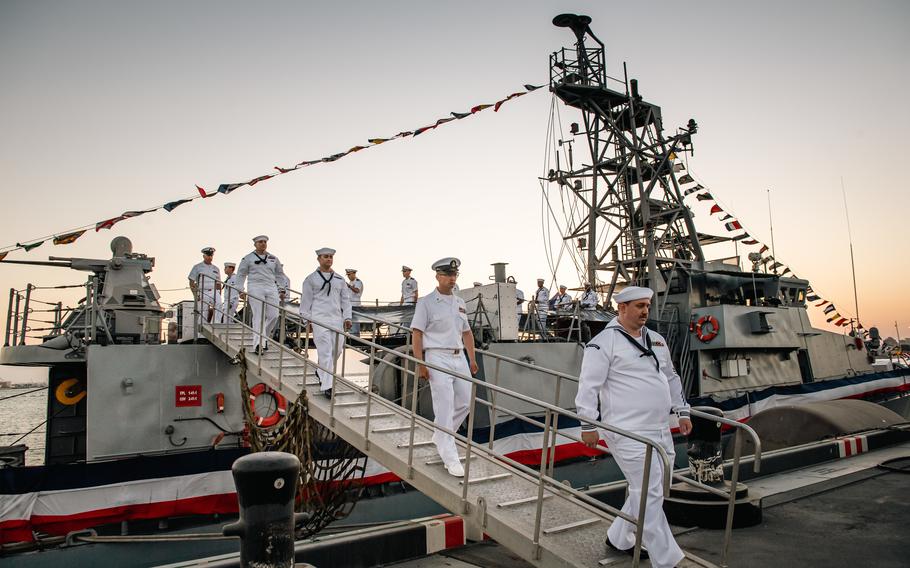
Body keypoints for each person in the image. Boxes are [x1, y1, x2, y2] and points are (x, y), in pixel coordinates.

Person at [575, 286, 691, 567]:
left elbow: (671, 377)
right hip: (626, 430)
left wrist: (682, 410)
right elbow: (588, 385)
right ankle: (667, 559)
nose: (644, 311)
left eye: (647, 306)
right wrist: (587, 424)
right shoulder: (604, 343)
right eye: (638, 306)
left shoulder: (657, 340)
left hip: (661, 427)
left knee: (654, 488)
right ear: (622, 308)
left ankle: (619, 536)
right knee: (648, 489)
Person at [411, 257, 478, 478]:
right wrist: (420, 362)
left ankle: (441, 435)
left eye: (454, 275)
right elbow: (417, 333)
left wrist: (472, 358)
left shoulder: (459, 302)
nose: (452, 279)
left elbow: (466, 332)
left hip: (459, 358)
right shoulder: (426, 302)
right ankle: (449, 456)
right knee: (445, 405)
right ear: (438, 277)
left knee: (466, 401)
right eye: (448, 275)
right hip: (437, 357)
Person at [300, 248, 352, 398]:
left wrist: (347, 317)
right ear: (319, 259)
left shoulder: (340, 280)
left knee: (337, 350)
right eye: (325, 257)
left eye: (330, 257)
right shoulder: (311, 279)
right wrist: (306, 319)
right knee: (325, 351)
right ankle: (327, 386)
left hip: (336, 319)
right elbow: (306, 302)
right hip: (319, 319)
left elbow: (345, 301)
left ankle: (321, 371)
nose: (328, 259)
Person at [236, 235, 289, 354]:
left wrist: (282, 289)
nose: (263, 244)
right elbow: (241, 274)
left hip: (270, 286)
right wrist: (240, 289)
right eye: (260, 242)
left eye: (264, 242)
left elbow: (280, 274)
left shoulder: (273, 258)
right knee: (258, 316)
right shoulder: (248, 258)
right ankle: (258, 344)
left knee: (274, 315)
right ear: (255, 244)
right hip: (255, 286)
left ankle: (263, 338)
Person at [188, 247, 221, 324]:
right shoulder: (197, 267)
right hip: (203, 291)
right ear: (204, 256)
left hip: (214, 291)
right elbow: (191, 281)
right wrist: (195, 295)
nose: (210, 257)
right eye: (208, 255)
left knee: (219, 305)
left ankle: (216, 323)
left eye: (211, 255)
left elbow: (218, 283)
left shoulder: (216, 269)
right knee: (203, 311)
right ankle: (201, 331)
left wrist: (219, 293)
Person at [345, 268, 363, 335]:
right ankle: (351, 337)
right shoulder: (351, 282)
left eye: (349, 274)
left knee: (355, 323)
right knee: (350, 323)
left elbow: (357, 290)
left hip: (356, 305)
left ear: (354, 274)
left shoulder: (358, 282)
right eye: (348, 275)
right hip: (350, 305)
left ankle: (355, 337)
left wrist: (349, 286)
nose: (348, 276)